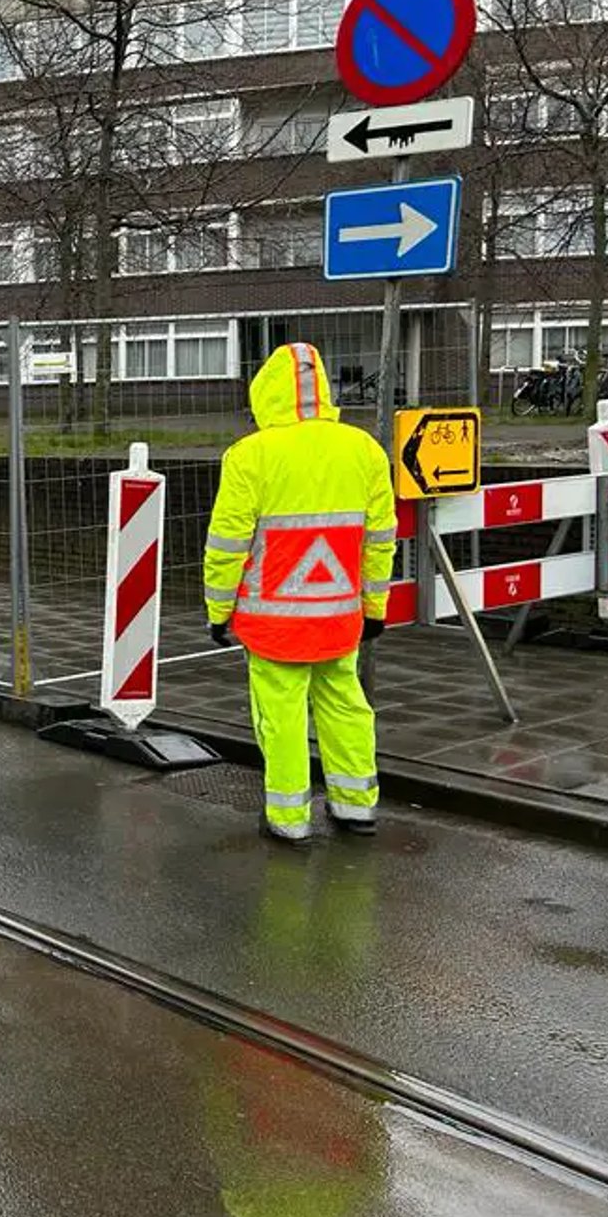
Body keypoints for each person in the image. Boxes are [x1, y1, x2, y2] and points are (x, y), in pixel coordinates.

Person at [202, 343, 397, 844]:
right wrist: (375, 607)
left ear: (266, 394)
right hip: (339, 615)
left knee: (281, 716)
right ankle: (356, 806)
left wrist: (219, 611)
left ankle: (288, 820)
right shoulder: (364, 450)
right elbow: (380, 540)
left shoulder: (249, 456)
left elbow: (226, 545)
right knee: (346, 705)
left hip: (272, 623)